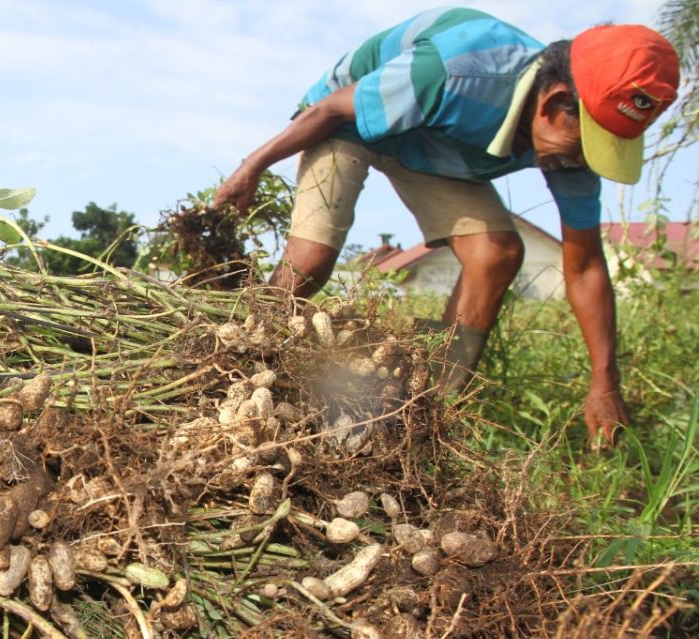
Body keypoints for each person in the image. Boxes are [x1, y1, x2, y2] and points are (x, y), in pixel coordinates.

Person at [214, 8, 680, 446]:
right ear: (555, 102)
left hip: (431, 147)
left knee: (496, 253)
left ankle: (421, 407)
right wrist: (251, 167)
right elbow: (332, 110)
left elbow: (585, 267)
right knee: (310, 262)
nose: (581, 164)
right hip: (343, 122)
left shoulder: (572, 149)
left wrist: (605, 381)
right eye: (584, 145)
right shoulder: (460, 70)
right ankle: (232, 364)